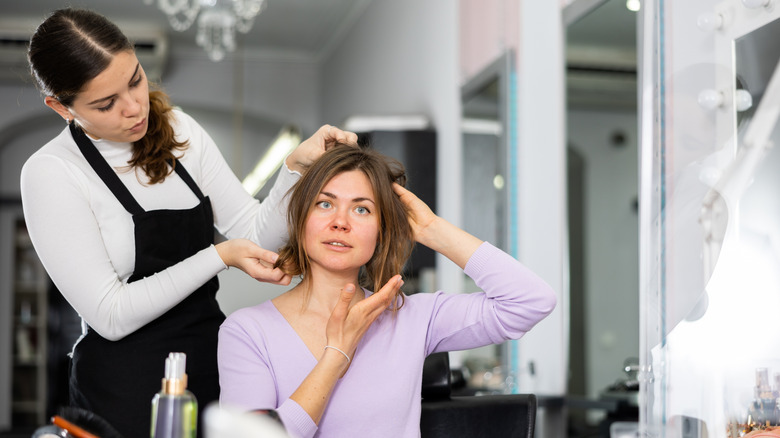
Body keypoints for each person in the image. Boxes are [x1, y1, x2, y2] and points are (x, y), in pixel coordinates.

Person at [20, 8, 357, 438]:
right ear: (60, 107)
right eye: (106, 103)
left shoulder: (182, 132)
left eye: (136, 80)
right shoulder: (50, 171)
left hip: (211, 366)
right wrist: (218, 256)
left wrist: (294, 169)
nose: (134, 108)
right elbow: (110, 313)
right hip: (125, 391)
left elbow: (255, 236)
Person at [217, 145, 557, 437]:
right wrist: (337, 354)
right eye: (325, 203)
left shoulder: (413, 317)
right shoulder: (247, 332)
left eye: (362, 209)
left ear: (380, 231)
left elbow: (531, 301)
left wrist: (431, 229)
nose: (341, 221)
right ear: (301, 218)